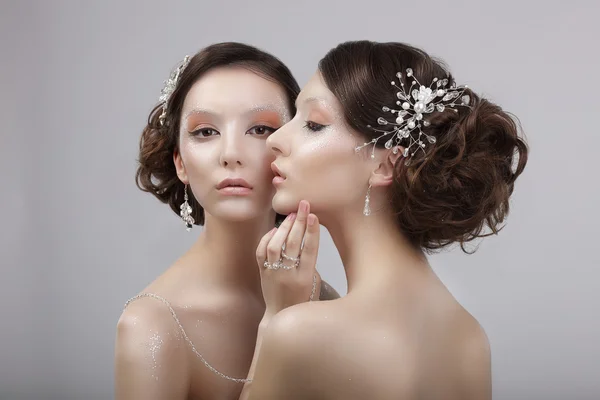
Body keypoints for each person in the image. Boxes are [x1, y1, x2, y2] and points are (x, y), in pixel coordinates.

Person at [240, 40, 528, 400]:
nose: (276, 140)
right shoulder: (470, 338)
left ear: (385, 164)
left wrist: (275, 318)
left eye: (313, 124)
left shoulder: (300, 333)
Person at [114, 42, 338, 400]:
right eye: (205, 132)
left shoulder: (322, 299)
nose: (232, 154)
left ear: (291, 147)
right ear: (180, 163)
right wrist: (276, 325)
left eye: (260, 130)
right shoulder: (151, 327)